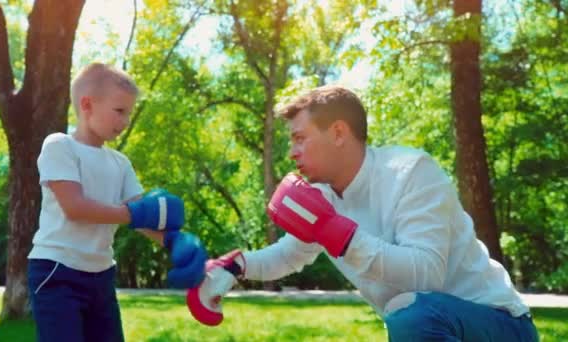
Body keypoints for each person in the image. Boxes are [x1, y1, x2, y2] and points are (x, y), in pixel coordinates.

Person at [186, 85, 539, 341]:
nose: (292, 152)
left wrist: (336, 232)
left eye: (299, 138)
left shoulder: (411, 171)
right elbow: (288, 255)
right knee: (408, 315)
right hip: (427, 326)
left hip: (501, 325)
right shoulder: (324, 195)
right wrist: (235, 267)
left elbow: (427, 275)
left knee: (410, 313)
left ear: (339, 132)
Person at [27, 63, 207, 342]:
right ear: (87, 105)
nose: (125, 121)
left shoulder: (120, 163)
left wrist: (175, 241)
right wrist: (134, 213)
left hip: (100, 275)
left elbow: (140, 216)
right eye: (119, 111)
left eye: (129, 113)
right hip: (57, 271)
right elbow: (75, 207)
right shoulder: (59, 146)